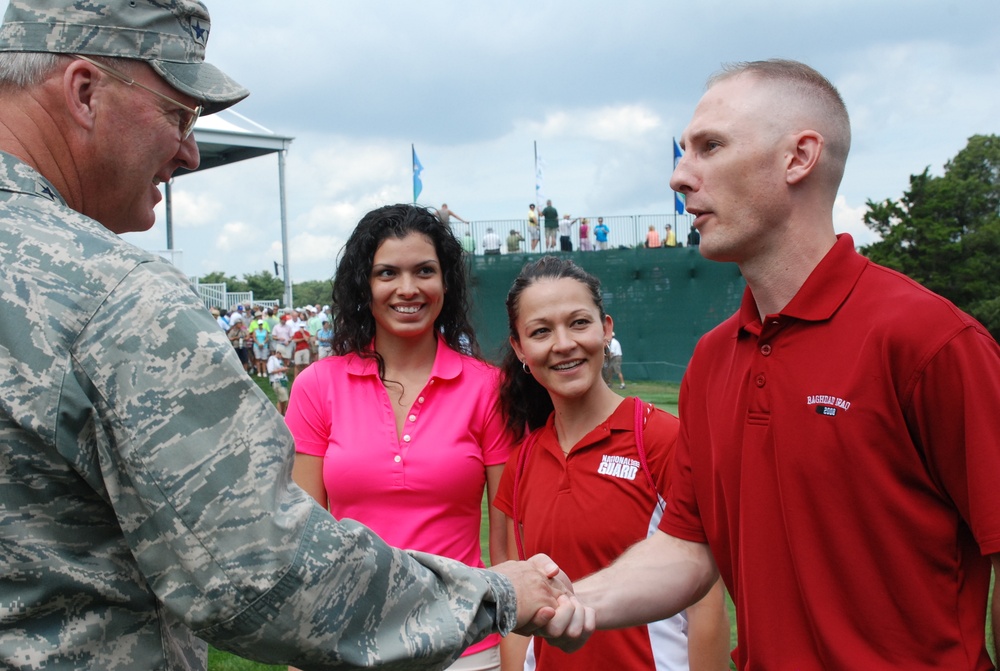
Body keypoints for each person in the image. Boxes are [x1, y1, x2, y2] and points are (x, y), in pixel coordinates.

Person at [0, 2, 575, 669]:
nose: (188, 152)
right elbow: (260, 568)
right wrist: (496, 594)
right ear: (84, 91)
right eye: (178, 114)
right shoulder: (109, 293)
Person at [543, 59, 1000, 670]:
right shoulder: (710, 360)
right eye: (685, 151)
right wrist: (569, 598)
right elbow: (685, 548)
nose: (680, 176)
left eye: (710, 147)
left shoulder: (930, 340)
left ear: (798, 158)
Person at [285, 204, 519, 671]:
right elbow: (302, 543)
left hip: (466, 650)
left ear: (445, 283)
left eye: (424, 271)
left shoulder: (490, 389)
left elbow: (509, 549)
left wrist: (513, 662)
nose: (407, 289)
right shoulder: (317, 386)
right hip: (348, 646)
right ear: (364, 285)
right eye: (387, 273)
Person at [493, 256, 730, 671]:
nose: (563, 343)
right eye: (541, 331)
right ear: (520, 348)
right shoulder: (523, 461)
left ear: (606, 329)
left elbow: (705, 605)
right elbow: (519, 609)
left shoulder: (662, 440)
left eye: (579, 323)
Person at [266, 348, 290, 415]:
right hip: (276, 381)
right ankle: (281, 414)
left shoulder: (280, 361)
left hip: (282, 380)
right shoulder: (272, 359)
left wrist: (284, 369)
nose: (282, 357)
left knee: (283, 399)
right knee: (283, 398)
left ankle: (282, 414)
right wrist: (281, 369)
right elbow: (270, 371)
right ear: (278, 353)